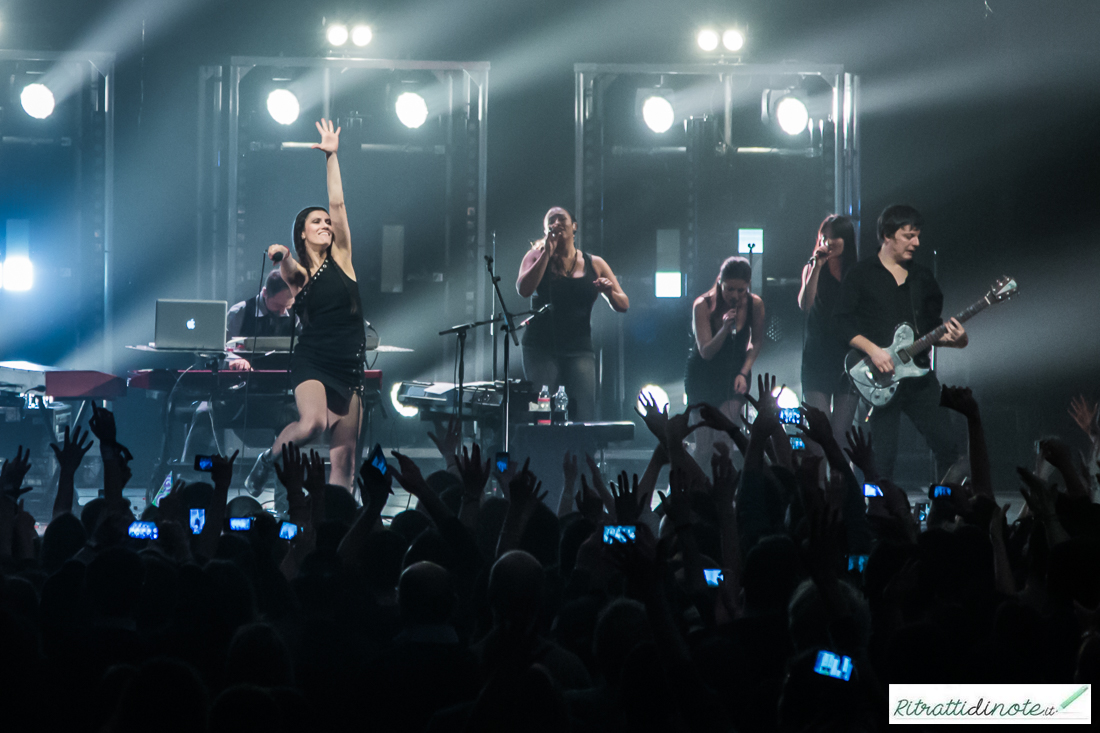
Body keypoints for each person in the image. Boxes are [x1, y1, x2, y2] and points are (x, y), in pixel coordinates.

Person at [245, 119, 366, 494]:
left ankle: (337, 518)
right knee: (312, 424)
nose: (326, 224)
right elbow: (286, 264)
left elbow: (339, 202)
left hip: (349, 364)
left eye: (327, 222)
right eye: (317, 222)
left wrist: (332, 156)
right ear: (303, 232)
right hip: (313, 359)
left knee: (345, 457)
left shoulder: (343, 257)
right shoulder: (299, 274)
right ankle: (269, 457)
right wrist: (278, 253)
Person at [833, 204, 968, 480]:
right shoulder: (861, 275)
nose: (916, 243)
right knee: (882, 459)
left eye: (918, 235)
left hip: (918, 378)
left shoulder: (923, 278)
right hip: (879, 378)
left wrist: (957, 341)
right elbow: (841, 321)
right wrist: (873, 350)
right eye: (908, 236)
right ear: (887, 235)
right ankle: (879, 514)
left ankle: (944, 509)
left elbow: (930, 330)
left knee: (950, 447)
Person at [516, 207, 629, 421]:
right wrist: (547, 253)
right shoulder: (535, 256)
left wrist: (609, 292)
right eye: (552, 220)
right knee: (540, 415)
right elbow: (524, 289)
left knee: (583, 413)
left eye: (562, 219)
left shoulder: (594, 263)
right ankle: (540, 452)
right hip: (540, 348)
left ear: (574, 226)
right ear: (546, 229)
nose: (557, 223)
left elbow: (623, 304)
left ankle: (580, 454)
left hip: (579, 349)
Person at [684, 256, 765, 459]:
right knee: (703, 446)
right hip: (703, 375)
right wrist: (724, 330)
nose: (734, 295)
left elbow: (756, 342)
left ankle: (724, 487)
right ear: (720, 282)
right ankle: (699, 487)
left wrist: (744, 372)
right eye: (729, 289)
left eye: (741, 290)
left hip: (735, 373)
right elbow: (706, 352)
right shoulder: (702, 305)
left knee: (723, 440)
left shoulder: (755, 305)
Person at [798, 214, 859, 449]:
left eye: (834, 237)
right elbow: (805, 304)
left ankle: (842, 484)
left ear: (846, 240)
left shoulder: (857, 272)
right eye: (824, 237)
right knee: (819, 432)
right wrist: (816, 267)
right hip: (817, 356)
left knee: (840, 434)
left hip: (848, 357)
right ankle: (818, 484)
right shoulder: (813, 268)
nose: (828, 242)